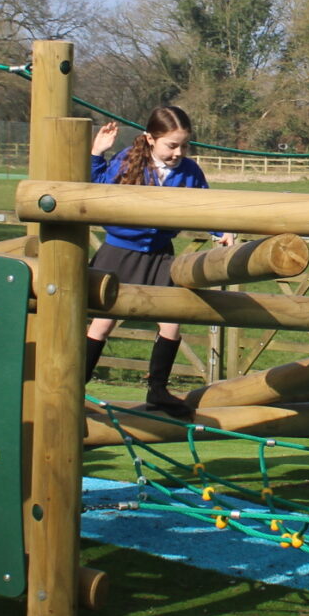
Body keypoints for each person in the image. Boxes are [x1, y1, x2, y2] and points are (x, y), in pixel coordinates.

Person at [81, 105, 231, 411]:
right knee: (103, 323)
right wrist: (97, 153)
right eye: (171, 145)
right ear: (151, 139)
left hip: (160, 253)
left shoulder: (189, 171)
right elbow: (96, 187)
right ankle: (75, 385)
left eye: (184, 146)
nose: (178, 152)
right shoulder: (128, 160)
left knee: (172, 320)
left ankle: (157, 389)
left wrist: (222, 230)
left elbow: (206, 204)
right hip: (120, 251)